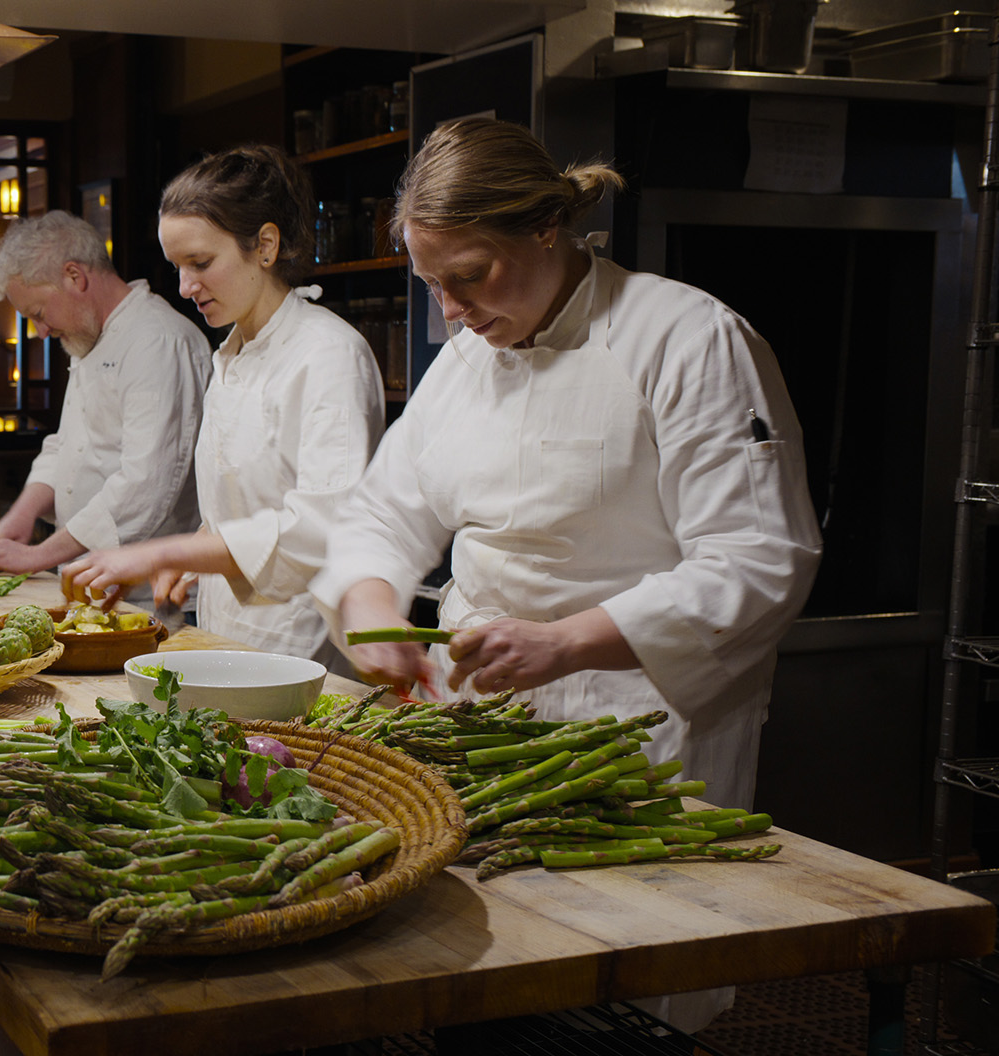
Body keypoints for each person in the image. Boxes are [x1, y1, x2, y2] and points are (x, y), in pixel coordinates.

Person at [308, 118, 822, 1028]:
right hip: (483, 730)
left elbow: (759, 558)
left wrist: (569, 641)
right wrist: (370, 604)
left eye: (468, 276)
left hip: (634, 732)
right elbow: (384, 510)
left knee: (624, 995)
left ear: (546, 229)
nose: (449, 313)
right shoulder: (467, 358)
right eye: (431, 285)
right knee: (492, 982)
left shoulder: (688, 337)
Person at [62, 145, 385, 661]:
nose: (187, 286)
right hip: (230, 633)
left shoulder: (328, 354)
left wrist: (163, 550)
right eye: (178, 267)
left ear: (265, 245)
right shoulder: (230, 355)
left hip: (305, 646)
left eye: (202, 263)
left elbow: (321, 526)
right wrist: (196, 552)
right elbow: (247, 500)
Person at [0, 212, 211, 595]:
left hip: (153, 594)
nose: (42, 331)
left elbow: (144, 483)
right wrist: (23, 514)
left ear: (74, 276)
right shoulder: (91, 337)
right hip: (93, 581)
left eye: (38, 314)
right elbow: (70, 443)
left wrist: (40, 555)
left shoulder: (157, 341)